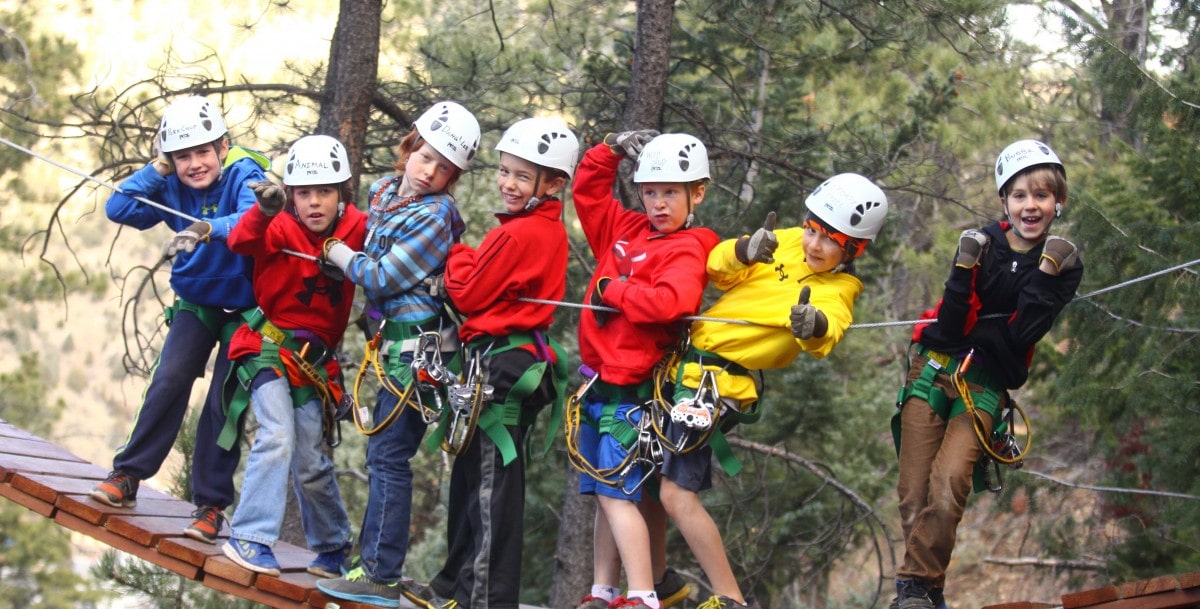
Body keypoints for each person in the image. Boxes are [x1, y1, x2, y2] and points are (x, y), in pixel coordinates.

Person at [653, 173, 890, 609]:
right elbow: (717, 270)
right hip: (681, 368)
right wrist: (743, 250)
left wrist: (812, 324)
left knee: (675, 492)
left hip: (715, 384)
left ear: (855, 248)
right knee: (647, 480)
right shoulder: (786, 241)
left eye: (830, 239)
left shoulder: (838, 289)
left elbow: (829, 332)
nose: (814, 244)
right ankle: (657, 582)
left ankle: (730, 598)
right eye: (811, 228)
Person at [890, 140, 1083, 609]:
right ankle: (928, 592)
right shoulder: (983, 242)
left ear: (1058, 203)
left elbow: (1024, 333)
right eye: (1019, 195)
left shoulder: (1064, 263)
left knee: (950, 481)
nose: (1030, 205)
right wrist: (963, 268)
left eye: (1041, 195)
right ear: (1004, 201)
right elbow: (954, 323)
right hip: (933, 368)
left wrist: (1048, 268)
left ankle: (913, 590)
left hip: (985, 384)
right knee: (914, 493)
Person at [403, 116, 578, 609]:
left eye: (523, 176)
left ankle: (483, 597)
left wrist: (459, 255)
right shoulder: (539, 230)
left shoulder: (518, 235)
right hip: (507, 360)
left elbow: (470, 290)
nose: (508, 183)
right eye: (505, 171)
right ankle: (453, 586)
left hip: (503, 364)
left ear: (554, 183)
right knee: (473, 477)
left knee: (488, 485)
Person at [316, 100, 480, 609]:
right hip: (388, 342)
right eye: (425, 156)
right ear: (410, 147)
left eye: (444, 167)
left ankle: (382, 575)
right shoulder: (383, 192)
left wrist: (336, 253)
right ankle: (372, 565)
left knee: (388, 457)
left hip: (419, 348)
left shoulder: (436, 216)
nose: (430, 171)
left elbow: (382, 275)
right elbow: (367, 235)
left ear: (453, 177)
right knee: (381, 455)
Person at [91, 95, 270, 544]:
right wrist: (158, 171)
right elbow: (120, 209)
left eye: (202, 152)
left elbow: (252, 214)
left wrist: (208, 228)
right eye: (183, 156)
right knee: (169, 379)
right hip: (196, 300)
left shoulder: (242, 173)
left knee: (223, 404)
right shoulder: (171, 185)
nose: (194, 164)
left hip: (246, 309)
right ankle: (128, 475)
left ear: (222, 147)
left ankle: (210, 506)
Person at [568, 131, 721, 609]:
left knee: (617, 491)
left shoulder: (690, 246)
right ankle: (602, 589)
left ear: (697, 192)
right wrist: (609, 149)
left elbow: (669, 303)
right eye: (650, 192)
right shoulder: (623, 230)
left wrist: (612, 290)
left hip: (634, 391)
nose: (658, 203)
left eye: (670, 192)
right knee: (601, 489)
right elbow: (588, 192)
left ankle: (642, 595)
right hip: (597, 381)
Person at [218, 135, 366, 578]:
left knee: (310, 461)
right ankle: (250, 535)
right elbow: (241, 242)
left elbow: (386, 263)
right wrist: (265, 210)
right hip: (265, 348)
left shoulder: (358, 228)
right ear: (292, 198)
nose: (315, 204)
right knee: (278, 433)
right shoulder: (280, 227)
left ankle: (333, 547)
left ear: (342, 195)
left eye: (325, 192)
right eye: (304, 194)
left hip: (314, 366)